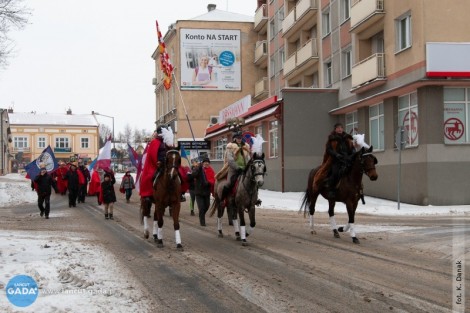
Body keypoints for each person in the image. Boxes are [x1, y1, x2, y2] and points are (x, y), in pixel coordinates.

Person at [316, 123, 355, 198]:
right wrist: (336, 155)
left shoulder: (347, 138)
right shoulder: (332, 139)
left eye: (341, 128)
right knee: (335, 172)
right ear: (335, 129)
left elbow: (352, 148)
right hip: (336, 160)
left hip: (347, 159)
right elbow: (329, 149)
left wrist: (353, 153)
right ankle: (331, 190)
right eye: (338, 128)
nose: (340, 129)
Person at [219, 128, 251, 202]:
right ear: (234, 138)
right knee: (229, 183)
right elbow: (230, 159)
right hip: (234, 169)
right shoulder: (230, 147)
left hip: (245, 169)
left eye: (240, 138)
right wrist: (237, 167)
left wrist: (248, 166)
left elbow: (248, 158)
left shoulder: (245, 147)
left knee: (252, 181)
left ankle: (254, 199)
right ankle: (223, 199)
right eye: (238, 138)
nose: (239, 139)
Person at [139, 127, 166, 210]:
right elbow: (152, 155)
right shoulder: (154, 142)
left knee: (178, 174)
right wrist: (157, 162)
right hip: (156, 164)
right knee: (149, 177)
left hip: (167, 164)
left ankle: (180, 193)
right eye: (160, 132)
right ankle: (148, 194)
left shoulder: (167, 141)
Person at [192, 157, 215, 226]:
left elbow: (213, 179)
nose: (207, 163)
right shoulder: (199, 169)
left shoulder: (211, 170)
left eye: (208, 162)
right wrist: (198, 168)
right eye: (205, 162)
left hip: (207, 192)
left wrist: (209, 182)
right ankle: (202, 221)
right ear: (203, 163)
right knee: (201, 207)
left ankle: (201, 215)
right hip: (199, 192)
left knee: (207, 206)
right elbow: (193, 175)